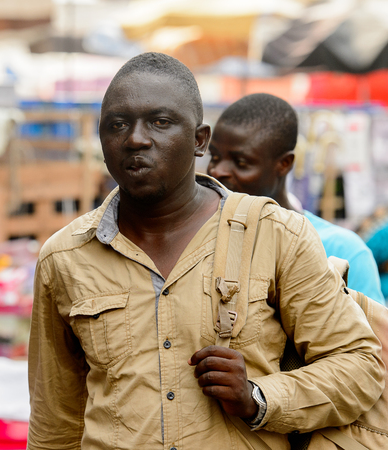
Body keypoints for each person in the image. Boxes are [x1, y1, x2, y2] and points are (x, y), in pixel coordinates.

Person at [27, 53, 384, 450]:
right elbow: (55, 423)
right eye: (117, 124)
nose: (135, 139)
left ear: (199, 140)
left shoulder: (275, 234)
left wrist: (258, 398)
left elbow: (359, 367)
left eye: (160, 122)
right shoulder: (64, 258)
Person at [207, 93, 385, 305]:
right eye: (215, 157)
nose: (217, 171)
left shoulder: (340, 251)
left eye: (241, 162)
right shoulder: (205, 238)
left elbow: (372, 336)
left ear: (284, 163)